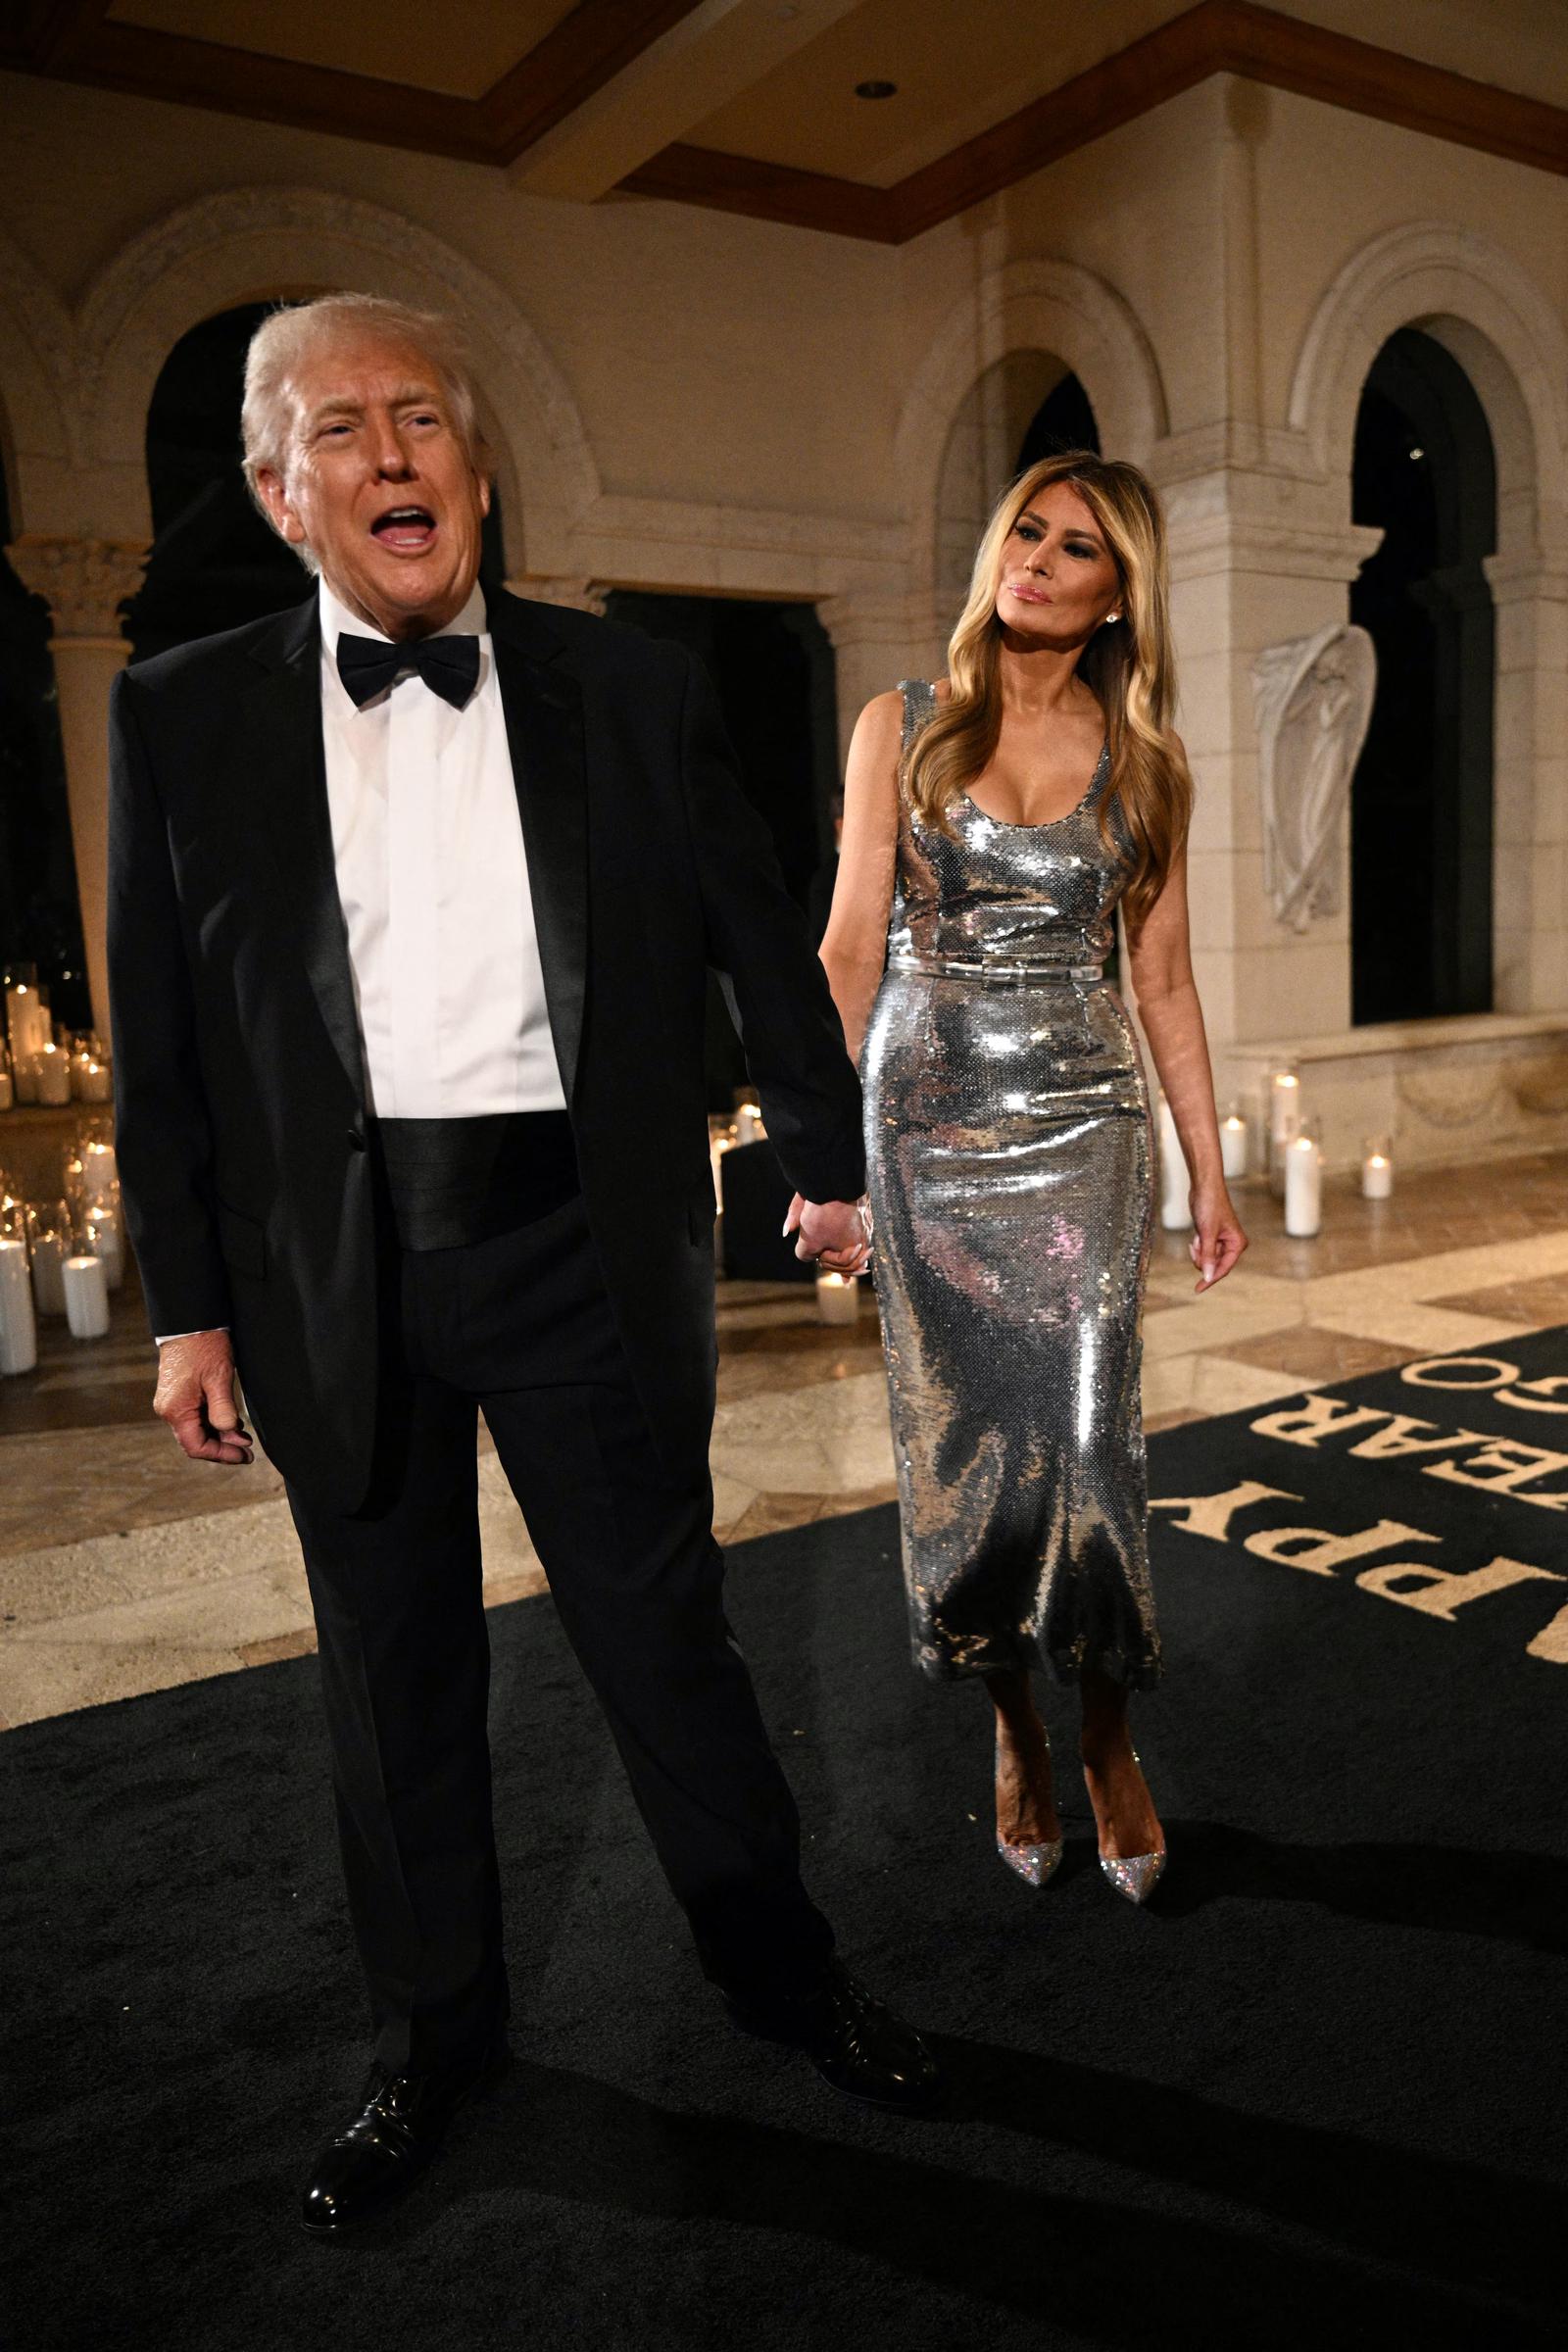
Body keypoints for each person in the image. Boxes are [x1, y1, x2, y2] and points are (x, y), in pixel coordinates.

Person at [108, 292, 938, 2239]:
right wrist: (188, 1307)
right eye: (342, 428)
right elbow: (162, 1034)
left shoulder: (625, 689)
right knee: (389, 1689)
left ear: (476, 471)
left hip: (577, 1246)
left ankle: (776, 1969)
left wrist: (827, 1170)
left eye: (424, 419)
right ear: (276, 490)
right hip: (333, 1272)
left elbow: (760, 941)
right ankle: (435, 2044)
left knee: (667, 1647)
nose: (391, 452)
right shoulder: (179, 715)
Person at [818, 452, 1246, 1904]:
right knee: (968, 1464)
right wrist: (872, 1148)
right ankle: (1013, 1731)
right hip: (928, 1129)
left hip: (1087, 1133)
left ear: (1122, 592)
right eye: (1028, 533)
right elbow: (846, 949)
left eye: (1078, 550)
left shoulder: (1149, 763)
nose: (1038, 562)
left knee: (1087, 1449)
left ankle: (1112, 1734)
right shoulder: (903, 722)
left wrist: (1213, 1174)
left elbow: (1168, 984)